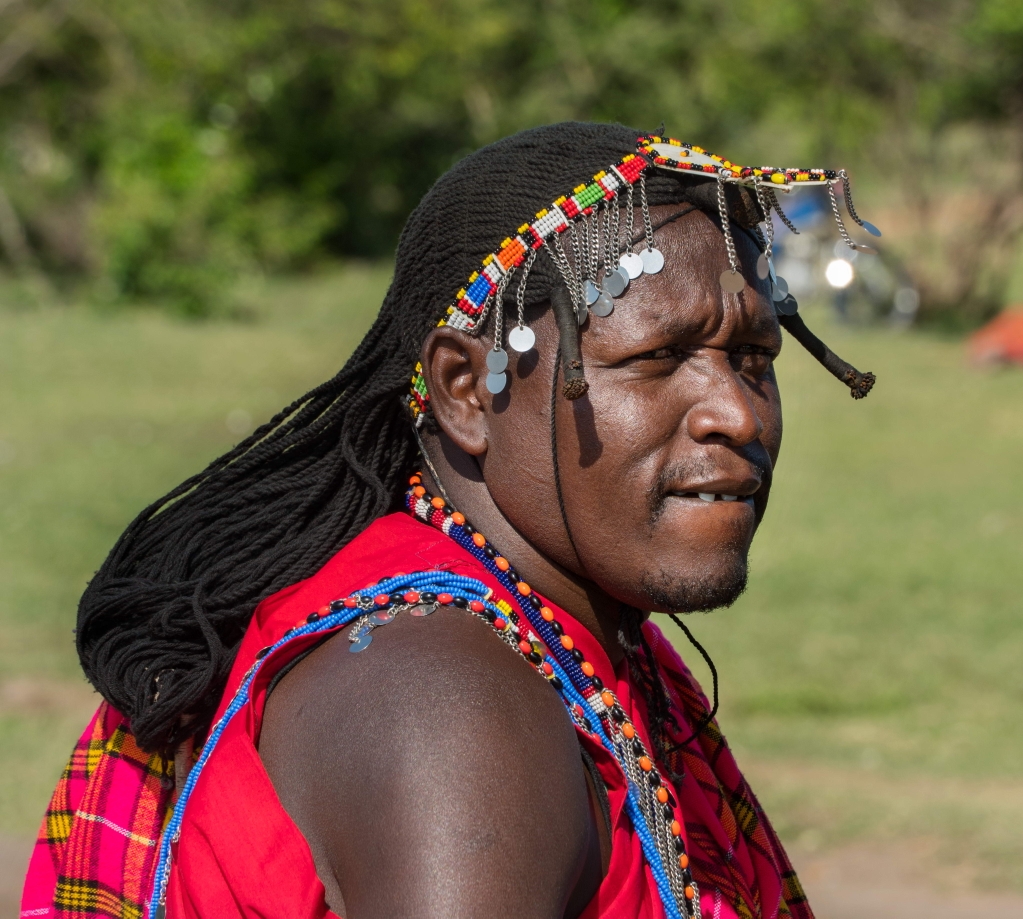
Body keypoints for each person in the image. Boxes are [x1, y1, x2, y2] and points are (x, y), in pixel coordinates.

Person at [20, 122, 876, 919]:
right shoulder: (447, 707)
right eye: (657, 358)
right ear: (468, 390)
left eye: (753, 358)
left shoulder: (565, 638)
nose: (737, 413)